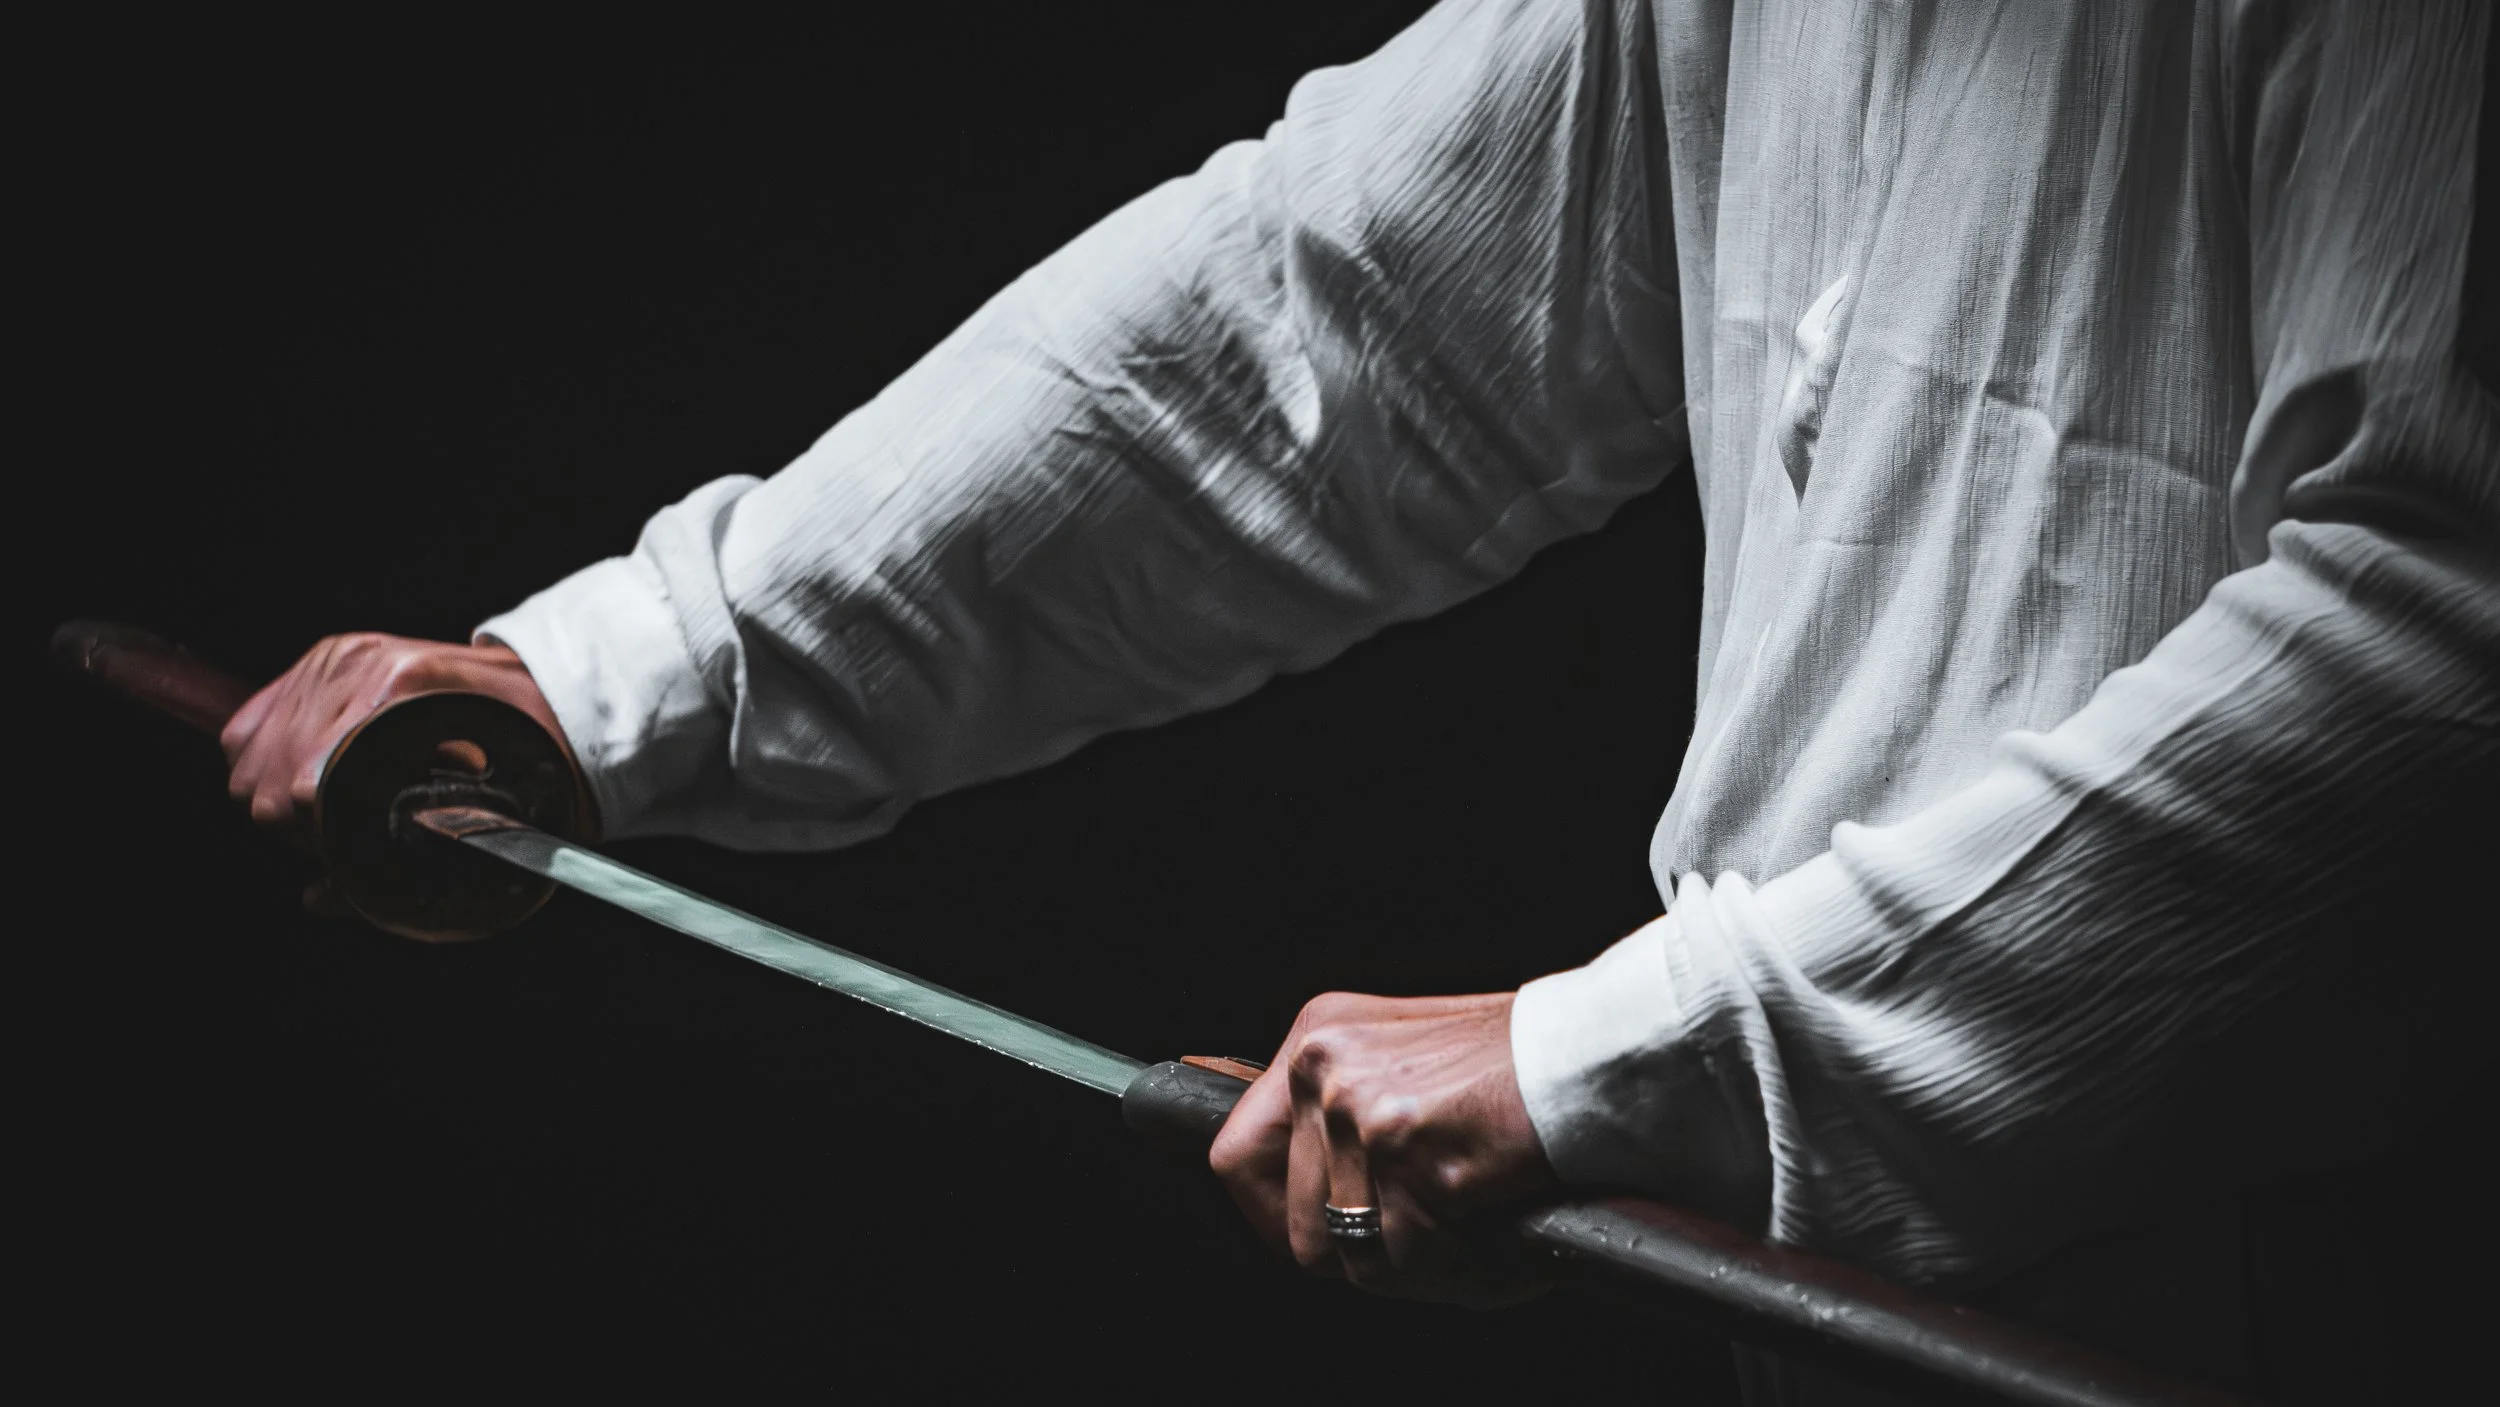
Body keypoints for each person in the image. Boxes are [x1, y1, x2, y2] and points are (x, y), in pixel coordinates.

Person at [218, 1, 2495, 1400]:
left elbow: (2443, 630)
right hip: (1849, 1329)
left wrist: (1638, 1060)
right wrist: (604, 682)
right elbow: (1334, 323)